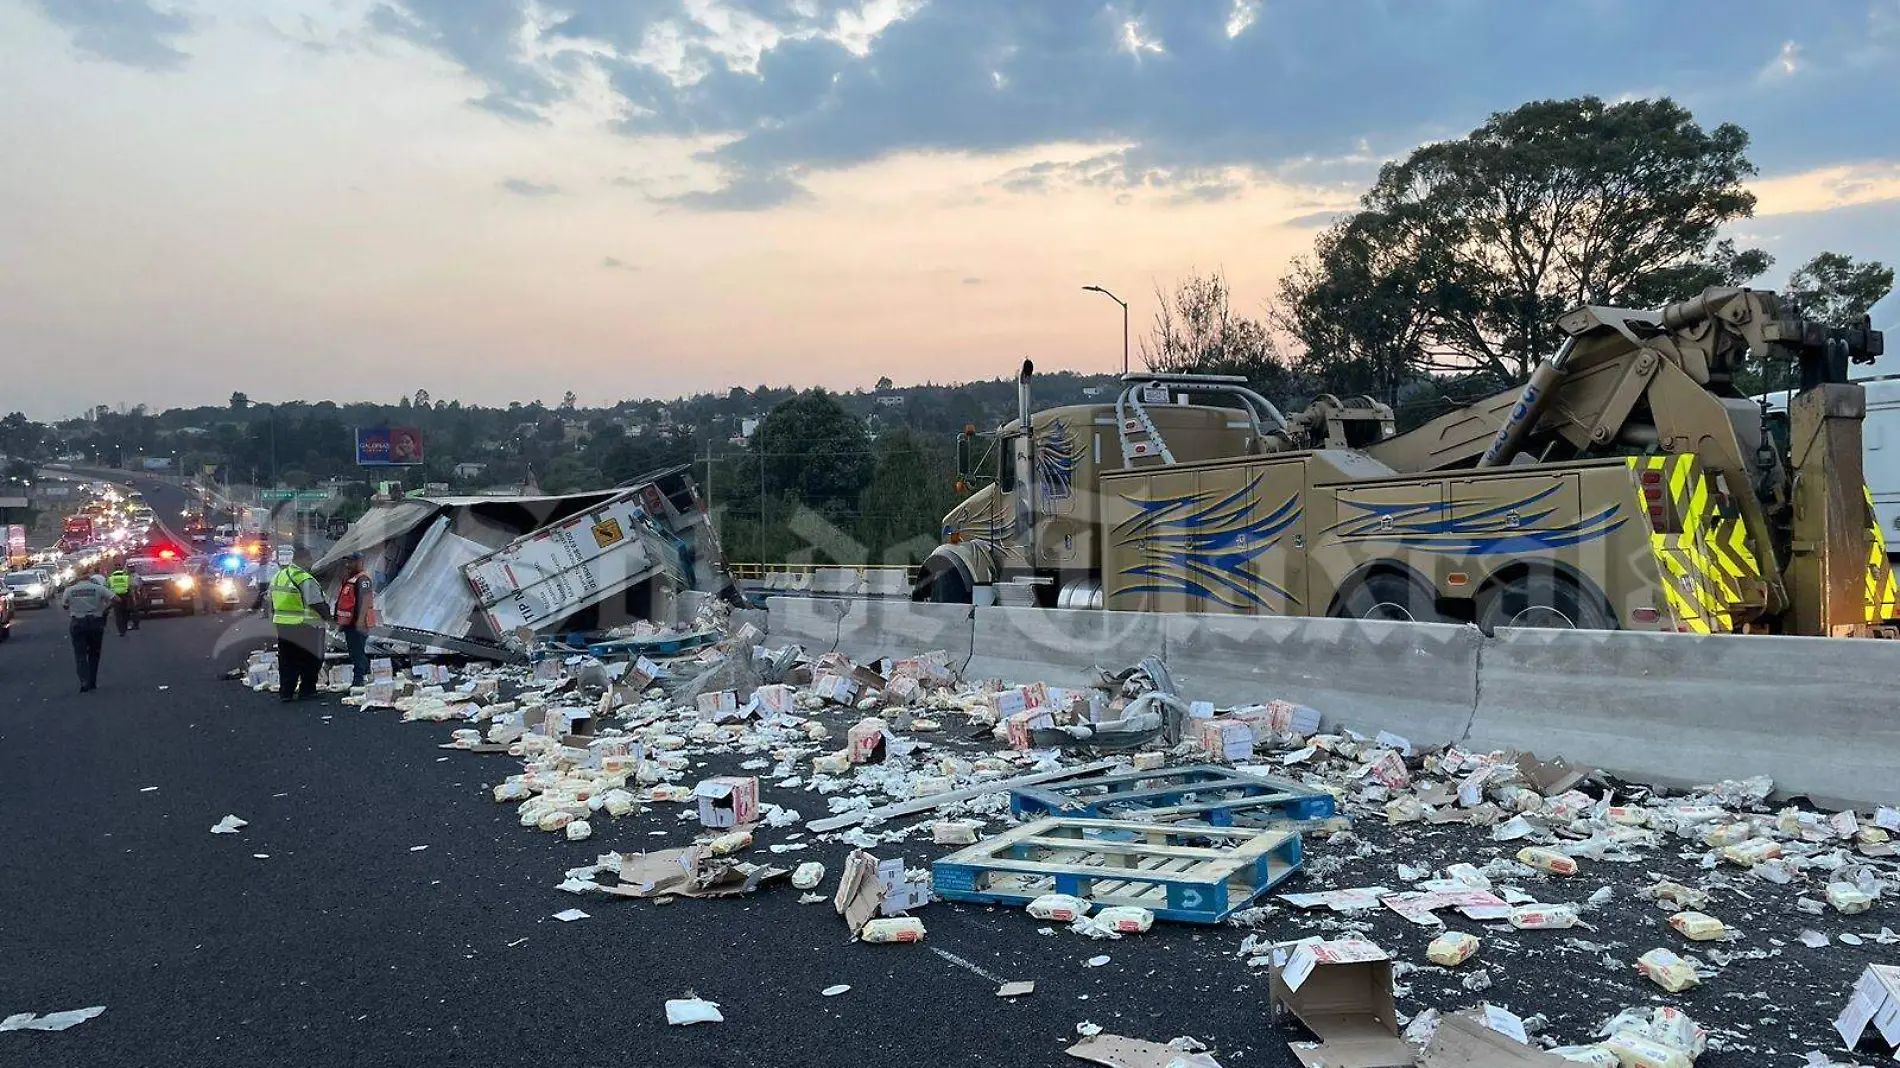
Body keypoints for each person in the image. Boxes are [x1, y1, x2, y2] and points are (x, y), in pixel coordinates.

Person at [256, 545, 330, 702]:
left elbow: (269, 600)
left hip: (283, 625)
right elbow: (316, 602)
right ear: (302, 559)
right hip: (306, 625)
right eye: (309, 559)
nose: (311, 562)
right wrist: (329, 618)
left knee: (287, 660)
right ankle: (307, 690)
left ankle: (286, 692)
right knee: (312, 659)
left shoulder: (279, 576)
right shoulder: (304, 578)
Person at [61, 571, 116, 692]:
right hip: (95, 621)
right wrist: (105, 609)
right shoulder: (98, 588)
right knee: (94, 653)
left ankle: (84, 681)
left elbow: (64, 605)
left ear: (78, 580)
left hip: (78, 622)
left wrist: (75, 608)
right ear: (89, 579)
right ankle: (92, 680)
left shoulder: (70, 590)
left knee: (80, 654)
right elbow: (116, 599)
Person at [334, 554, 376, 686]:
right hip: (349, 623)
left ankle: (359, 680)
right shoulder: (349, 579)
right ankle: (367, 676)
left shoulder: (363, 579)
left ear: (360, 562)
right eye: (347, 562)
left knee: (357, 652)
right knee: (354, 651)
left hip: (358, 624)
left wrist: (360, 622)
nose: (348, 565)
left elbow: (365, 602)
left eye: (351, 562)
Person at [106, 564, 138, 635]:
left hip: (115, 597)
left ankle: (121, 631)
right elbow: (131, 588)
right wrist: (133, 598)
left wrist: (109, 599)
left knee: (118, 614)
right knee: (125, 613)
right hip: (125, 596)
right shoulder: (126, 577)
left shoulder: (110, 578)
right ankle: (125, 626)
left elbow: (107, 588)